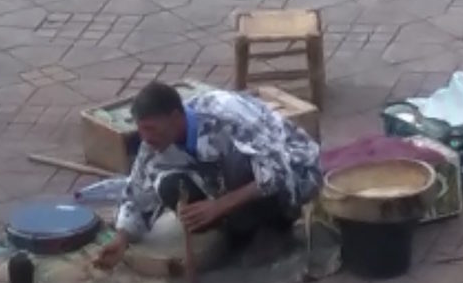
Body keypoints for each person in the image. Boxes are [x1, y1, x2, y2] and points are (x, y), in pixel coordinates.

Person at [95, 82, 321, 269]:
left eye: (152, 129)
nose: (146, 138)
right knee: (166, 184)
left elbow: (278, 172)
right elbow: (136, 192)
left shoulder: (227, 113)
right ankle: (235, 231)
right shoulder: (154, 142)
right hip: (226, 187)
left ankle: (276, 229)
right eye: (141, 129)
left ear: (175, 118)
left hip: (296, 172)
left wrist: (219, 205)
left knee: (238, 162)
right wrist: (122, 239)